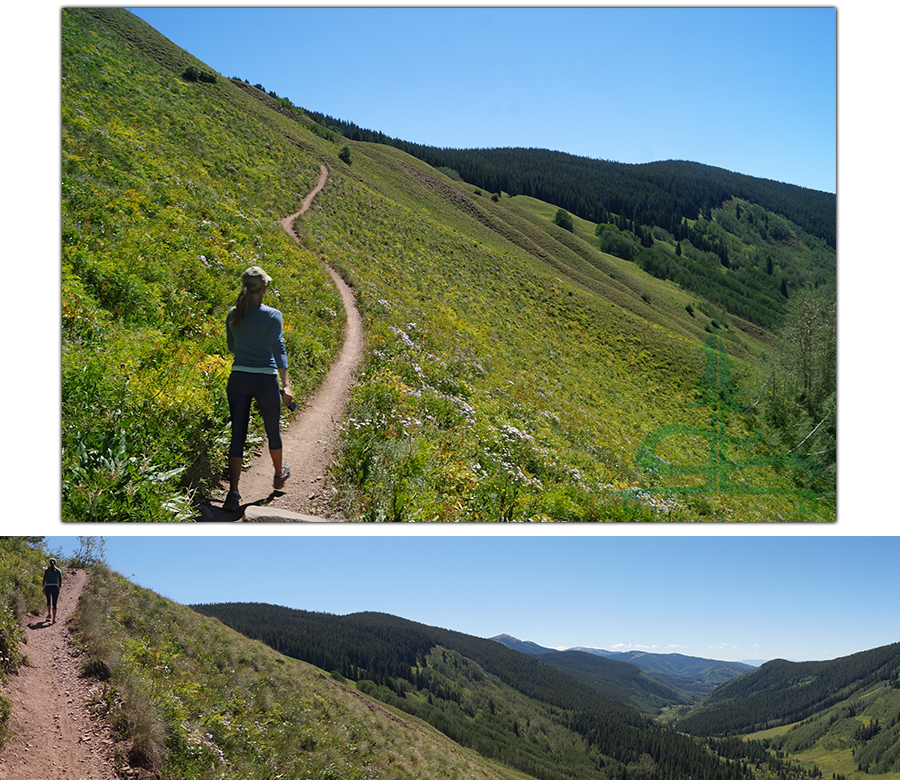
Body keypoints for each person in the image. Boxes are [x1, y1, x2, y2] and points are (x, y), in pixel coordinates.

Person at [223, 266, 293, 511]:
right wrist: (286, 385)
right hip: (265, 380)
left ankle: (232, 493)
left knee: (238, 435)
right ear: (264, 288)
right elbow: (279, 350)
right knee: (272, 429)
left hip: (239, 378)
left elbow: (232, 347)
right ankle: (278, 475)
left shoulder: (233, 314)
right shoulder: (274, 315)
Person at [42, 558, 63, 624]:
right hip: (55, 587)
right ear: (55, 563)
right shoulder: (58, 571)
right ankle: (54, 619)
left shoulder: (47, 570)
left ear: (50, 563)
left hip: (48, 587)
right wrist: (59, 588)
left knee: (48, 600)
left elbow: (44, 580)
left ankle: (49, 614)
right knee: (54, 603)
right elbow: (60, 581)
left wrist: (43, 588)